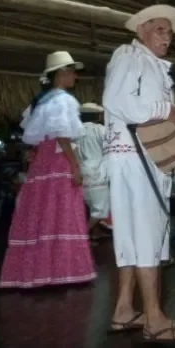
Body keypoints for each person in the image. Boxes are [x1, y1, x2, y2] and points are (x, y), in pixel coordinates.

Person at [102, 5, 175, 342]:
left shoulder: (147, 63)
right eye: (160, 30)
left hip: (136, 155)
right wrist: (168, 111)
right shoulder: (131, 55)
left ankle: (124, 309)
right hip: (137, 156)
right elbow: (118, 101)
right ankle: (155, 319)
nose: (167, 38)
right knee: (146, 232)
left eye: (170, 32)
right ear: (142, 29)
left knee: (134, 233)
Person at [0, 51, 96, 289]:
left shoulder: (39, 101)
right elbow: (61, 134)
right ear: (61, 74)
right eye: (72, 72)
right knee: (62, 210)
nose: (75, 77)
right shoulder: (63, 100)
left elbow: (35, 136)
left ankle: (36, 273)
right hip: (58, 161)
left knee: (41, 212)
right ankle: (60, 272)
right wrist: (74, 164)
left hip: (42, 162)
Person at [77, 102, 110, 244]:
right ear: (97, 115)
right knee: (100, 210)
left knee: (90, 206)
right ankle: (82, 235)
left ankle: (94, 233)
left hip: (82, 171)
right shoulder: (100, 129)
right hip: (98, 172)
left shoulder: (75, 131)